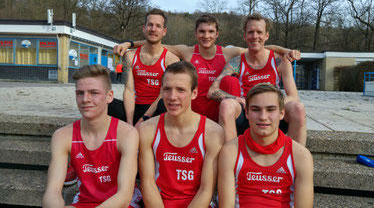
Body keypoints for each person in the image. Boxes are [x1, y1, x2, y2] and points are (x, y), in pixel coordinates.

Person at [113, 14, 300, 122]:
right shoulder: (187, 52)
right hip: (192, 117)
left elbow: (259, 46)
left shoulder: (228, 53)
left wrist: (285, 50)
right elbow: (155, 42)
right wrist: (130, 43)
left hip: (218, 115)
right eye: (202, 31)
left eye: (211, 31)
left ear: (217, 34)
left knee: (230, 82)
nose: (206, 35)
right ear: (196, 33)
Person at [42, 64, 140, 207]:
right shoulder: (62, 136)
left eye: (94, 93)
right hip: (84, 202)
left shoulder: (127, 134)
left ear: (109, 96)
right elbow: (52, 192)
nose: (85, 99)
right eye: (80, 93)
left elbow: (124, 196)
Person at [208, 14, 306, 145]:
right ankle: (230, 157)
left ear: (266, 35)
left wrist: (273, 105)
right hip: (248, 115)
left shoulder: (280, 61)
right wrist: (238, 99)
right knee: (227, 105)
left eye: (259, 32)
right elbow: (212, 91)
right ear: (245, 36)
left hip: (273, 116)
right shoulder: (237, 62)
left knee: (298, 108)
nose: (255, 36)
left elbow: (294, 96)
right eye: (251, 32)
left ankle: (295, 159)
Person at [137, 61, 224, 207]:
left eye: (180, 90)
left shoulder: (213, 132)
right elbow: (147, 183)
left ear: (194, 93)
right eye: (167, 89)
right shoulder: (147, 129)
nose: (172, 97)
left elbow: (206, 190)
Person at [218, 83, 314, 207]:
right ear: (246, 113)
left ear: (282, 113)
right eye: (255, 109)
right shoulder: (231, 151)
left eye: (270, 109)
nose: (263, 117)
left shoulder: (301, 155)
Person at [108, 8, 180, 126]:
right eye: (150, 25)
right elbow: (129, 90)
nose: (153, 29)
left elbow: (164, 94)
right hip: (135, 107)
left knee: (165, 104)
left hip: (157, 109)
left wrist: (144, 119)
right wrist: (130, 123)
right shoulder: (129, 56)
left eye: (158, 26)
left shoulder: (171, 59)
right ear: (144, 28)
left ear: (164, 31)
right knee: (106, 103)